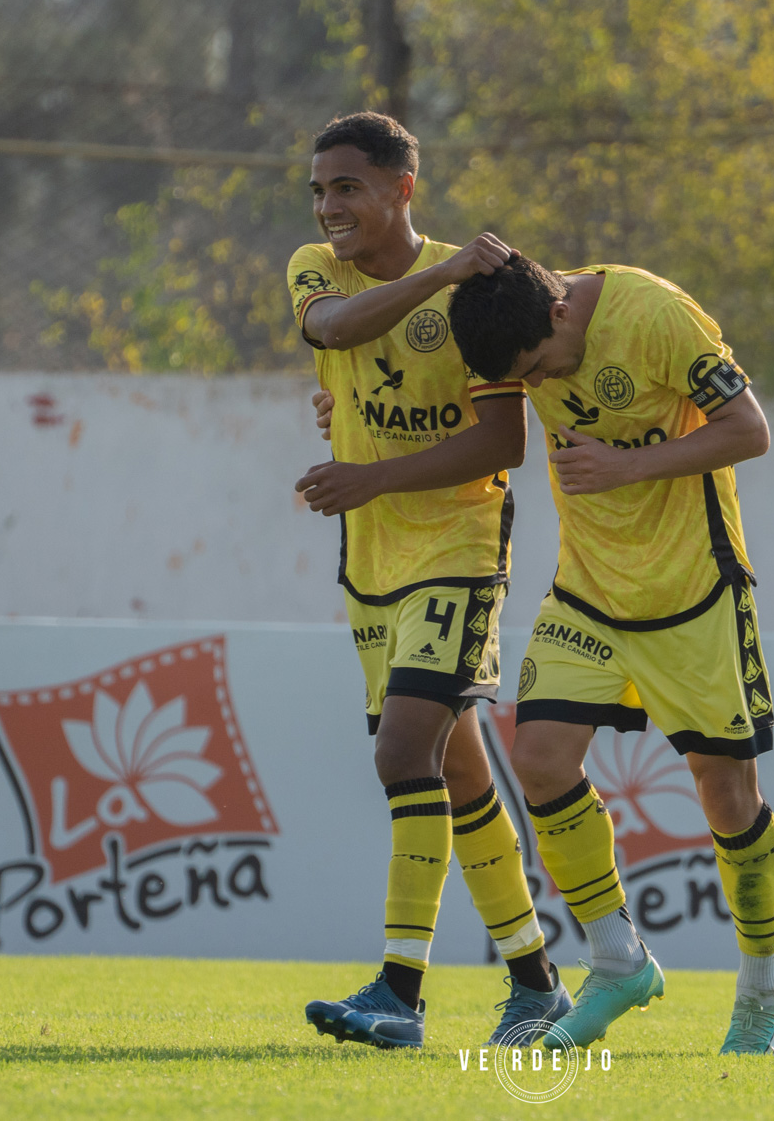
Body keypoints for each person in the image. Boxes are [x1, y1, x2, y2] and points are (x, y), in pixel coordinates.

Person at [448, 256, 774, 1055]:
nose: (540, 385)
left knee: (727, 796)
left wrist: (626, 464)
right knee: (538, 762)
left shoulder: (657, 315)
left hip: (694, 593)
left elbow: (751, 430)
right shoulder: (511, 316)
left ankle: (761, 991)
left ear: (562, 313)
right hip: (588, 592)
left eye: (539, 367)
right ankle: (618, 960)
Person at [287, 113, 571, 1049]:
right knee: (456, 770)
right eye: (320, 190)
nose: (329, 207)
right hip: (373, 561)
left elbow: (503, 441)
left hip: (457, 549)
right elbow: (333, 326)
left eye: (348, 187)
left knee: (401, 752)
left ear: (402, 187)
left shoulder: (473, 288)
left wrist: (370, 476)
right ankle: (537, 983)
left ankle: (399, 994)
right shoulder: (318, 270)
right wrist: (434, 282)